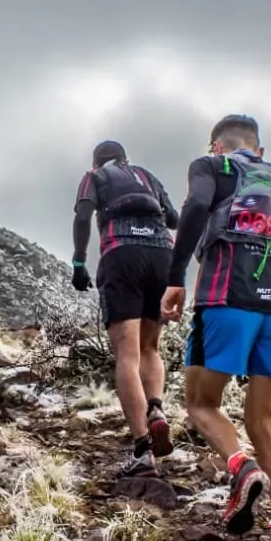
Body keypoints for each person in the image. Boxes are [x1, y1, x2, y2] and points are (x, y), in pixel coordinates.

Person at [161, 115, 271, 541]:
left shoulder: (211, 167)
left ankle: (240, 467)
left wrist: (175, 279)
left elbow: (196, 207)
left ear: (217, 146)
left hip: (226, 297)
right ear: (260, 149)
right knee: (265, 421)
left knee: (200, 402)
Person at [72, 140, 181, 478]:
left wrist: (79, 262)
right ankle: (157, 409)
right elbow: (175, 219)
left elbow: (83, 215)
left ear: (96, 163)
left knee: (127, 355)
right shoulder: (146, 176)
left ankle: (142, 450)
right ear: (125, 159)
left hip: (122, 255)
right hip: (163, 256)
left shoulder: (94, 178)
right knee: (150, 347)